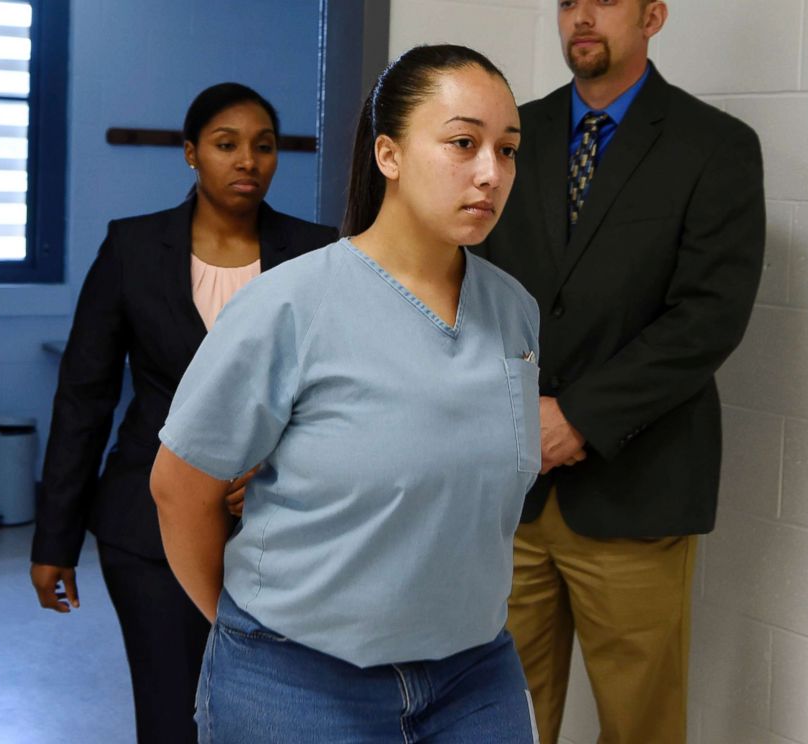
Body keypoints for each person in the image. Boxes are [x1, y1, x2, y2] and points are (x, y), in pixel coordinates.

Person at [149, 45, 541, 743]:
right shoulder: (290, 306)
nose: (491, 173)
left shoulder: (513, 311)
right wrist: (249, 637)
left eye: (506, 150)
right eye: (462, 143)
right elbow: (180, 488)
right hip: (299, 681)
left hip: (473, 674)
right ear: (388, 155)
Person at [476, 1, 766, 742]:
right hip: (506, 492)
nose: (581, 16)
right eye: (569, 1)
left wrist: (576, 417)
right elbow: (464, 283)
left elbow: (707, 318)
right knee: (494, 719)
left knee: (641, 727)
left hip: (636, 492)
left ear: (654, 15)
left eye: (605, 0)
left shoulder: (715, 147)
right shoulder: (511, 137)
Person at [29, 82, 338, 743]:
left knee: (277, 718)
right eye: (227, 145)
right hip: (148, 529)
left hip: (285, 532)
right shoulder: (132, 249)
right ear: (191, 153)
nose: (247, 161)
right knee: (174, 716)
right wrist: (54, 539)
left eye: (264, 146)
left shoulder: (318, 254)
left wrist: (282, 468)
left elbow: (343, 395)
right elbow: (85, 397)